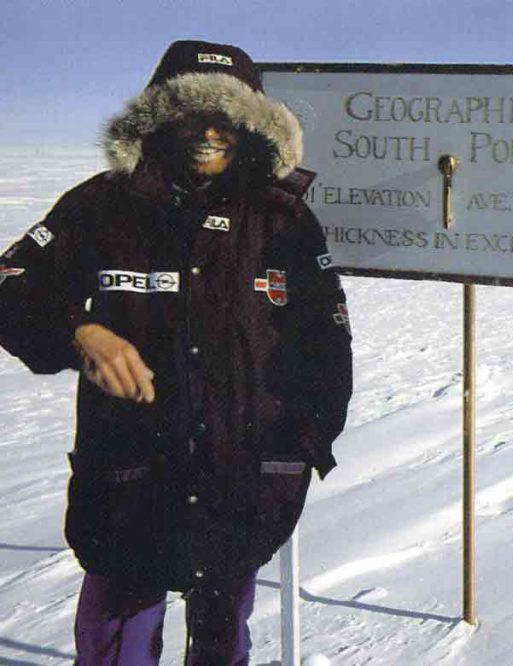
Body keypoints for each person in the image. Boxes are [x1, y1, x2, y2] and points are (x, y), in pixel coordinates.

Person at [0, 40, 353, 664]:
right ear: (159, 118)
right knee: (116, 634)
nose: (210, 132)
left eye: (227, 117)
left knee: (222, 637)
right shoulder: (102, 205)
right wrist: (79, 332)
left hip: (240, 473)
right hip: (128, 476)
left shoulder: (282, 218)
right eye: (193, 114)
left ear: (251, 125)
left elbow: (325, 339)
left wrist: (303, 445)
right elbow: (11, 282)